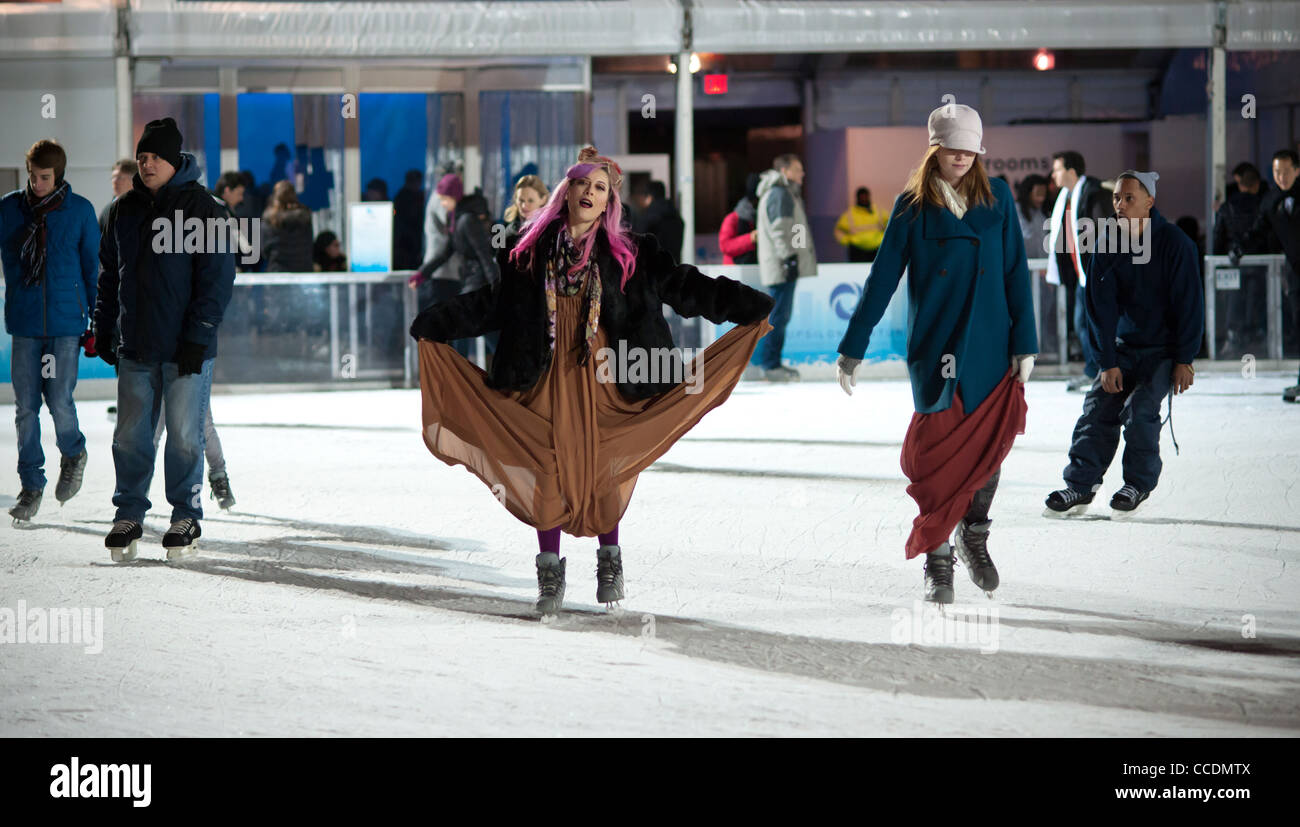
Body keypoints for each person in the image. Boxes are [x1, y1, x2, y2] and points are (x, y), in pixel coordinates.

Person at [409, 146, 774, 615]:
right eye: (582, 183)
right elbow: (493, 306)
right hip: (544, 374)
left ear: (608, 203)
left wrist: (746, 305)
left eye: (599, 187)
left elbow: (687, 286)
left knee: (603, 463)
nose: (589, 192)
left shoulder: (635, 253)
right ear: (567, 191)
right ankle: (550, 573)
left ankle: (610, 561)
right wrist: (436, 322)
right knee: (546, 469)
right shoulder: (527, 252)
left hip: (609, 375)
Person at [836, 105, 1038, 605]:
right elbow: (882, 279)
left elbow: (1016, 271)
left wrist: (1026, 342)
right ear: (935, 150)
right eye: (954, 147)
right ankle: (937, 558)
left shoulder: (999, 200)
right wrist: (852, 347)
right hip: (936, 349)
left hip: (992, 345)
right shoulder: (912, 206)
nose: (964, 156)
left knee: (989, 453)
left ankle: (974, 536)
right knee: (936, 456)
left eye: (971, 148)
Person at [94, 117, 237, 561]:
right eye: (141, 156)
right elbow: (108, 278)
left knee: (184, 437)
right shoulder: (123, 210)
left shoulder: (205, 210)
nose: (146, 162)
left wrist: (200, 336)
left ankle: (186, 513)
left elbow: (216, 282)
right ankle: (129, 512)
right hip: (136, 345)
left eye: (154, 156)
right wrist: (103, 326)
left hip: (185, 348)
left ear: (174, 160)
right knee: (131, 437)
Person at [1045, 171, 1203, 518]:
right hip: (1124, 349)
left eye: (1129, 197)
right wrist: (1107, 360)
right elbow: (1099, 308)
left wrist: (1185, 358)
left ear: (1150, 201)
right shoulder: (1106, 243)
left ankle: (1137, 483)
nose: (1120, 204)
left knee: (1141, 408)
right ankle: (1080, 485)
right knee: (1098, 407)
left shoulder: (1176, 244)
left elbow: (1189, 304)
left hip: (1163, 352)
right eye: (1117, 197)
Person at [1, 139, 99, 523]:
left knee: (59, 400)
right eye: (33, 177)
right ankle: (31, 484)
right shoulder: (10, 210)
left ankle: (73, 452)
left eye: (45, 177)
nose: (37, 184)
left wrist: (96, 323)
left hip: (64, 325)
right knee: (26, 409)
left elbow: (92, 269)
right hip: (26, 323)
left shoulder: (79, 212)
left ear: (58, 175)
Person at [1048, 150, 1110, 391]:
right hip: (1081, 275)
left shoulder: (1094, 193)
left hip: (1096, 274)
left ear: (1071, 172)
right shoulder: (1067, 196)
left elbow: (1105, 232)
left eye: (1057, 169)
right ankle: (1095, 370)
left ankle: (1099, 371)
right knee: (1082, 323)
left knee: (1091, 324)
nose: (1053, 174)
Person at [754, 153, 818, 382]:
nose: (802, 174)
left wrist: (797, 254)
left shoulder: (787, 194)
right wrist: (789, 258)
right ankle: (770, 365)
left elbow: (795, 230)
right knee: (778, 317)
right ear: (785, 171)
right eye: (798, 169)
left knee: (781, 316)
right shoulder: (780, 194)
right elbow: (780, 229)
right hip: (782, 266)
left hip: (786, 264)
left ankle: (773, 363)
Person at [1248, 149, 1300, 401]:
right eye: (1277, 172)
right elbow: (1259, 231)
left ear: (1297, 171)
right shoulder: (1270, 201)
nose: (1281, 177)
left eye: (1286, 171)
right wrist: (1238, 247)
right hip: (1296, 275)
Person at [1213, 161, 1269, 359]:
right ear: (1256, 185)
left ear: (1240, 184)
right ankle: (1257, 347)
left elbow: (1218, 237)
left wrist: (1220, 258)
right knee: (1257, 306)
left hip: (1232, 266)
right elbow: (1268, 236)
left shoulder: (1227, 207)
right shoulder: (1263, 205)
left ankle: (1233, 343)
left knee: (1233, 305)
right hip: (1260, 268)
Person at [261, 180, 314, 273]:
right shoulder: (304, 218)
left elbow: (264, 250)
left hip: (277, 272)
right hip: (304, 271)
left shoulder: (269, 220)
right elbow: (310, 242)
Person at [631, 180, 685, 264]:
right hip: (673, 268)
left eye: (639, 196)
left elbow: (634, 242)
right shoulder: (676, 216)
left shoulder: (649, 218)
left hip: (653, 270)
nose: (637, 201)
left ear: (649, 197)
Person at [833, 187, 888, 262]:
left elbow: (891, 226)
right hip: (857, 251)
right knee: (857, 272)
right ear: (857, 198)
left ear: (869, 196)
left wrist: (886, 240)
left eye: (865, 196)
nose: (864, 199)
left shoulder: (879, 212)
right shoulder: (849, 214)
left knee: (878, 271)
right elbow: (838, 230)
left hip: (878, 249)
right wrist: (847, 241)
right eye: (862, 197)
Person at [717, 173, 760, 265]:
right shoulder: (732, 219)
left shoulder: (764, 217)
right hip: (735, 271)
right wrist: (750, 238)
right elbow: (725, 246)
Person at [392, 169, 425, 271]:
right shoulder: (403, 198)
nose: (417, 185)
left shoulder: (416, 197)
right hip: (405, 242)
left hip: (411, 241)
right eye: (414, 182)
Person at [503, 174, 549, 243]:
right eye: (521, 200)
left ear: (543, 199)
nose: (524, 206)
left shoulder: (550, 229)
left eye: (530, 201)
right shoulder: (508, 229)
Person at [1016, 173, 1050, 259]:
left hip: (1041, 266)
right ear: (1028, 192)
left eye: (1044, 194)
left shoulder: (1042, 213)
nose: (1041, 198)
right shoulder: (1016, 211)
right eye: (1038, 193)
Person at [99, 159, 137, 234]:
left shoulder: (146, 208)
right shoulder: (107, 210)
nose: (115, 182)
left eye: (120, 178)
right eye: (113, 177)